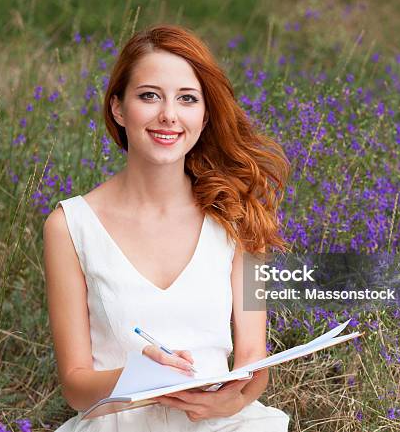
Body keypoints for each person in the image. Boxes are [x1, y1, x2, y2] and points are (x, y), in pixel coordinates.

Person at [44, 24, 291, 431]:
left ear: (205, 114)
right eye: (149, 96)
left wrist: (234, 400)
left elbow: (252, 356)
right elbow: (75, 386)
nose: (168, 115)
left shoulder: (236, 214)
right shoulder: (69, 226)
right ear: (118, 108)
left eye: (187, 99)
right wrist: (144, 382)